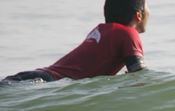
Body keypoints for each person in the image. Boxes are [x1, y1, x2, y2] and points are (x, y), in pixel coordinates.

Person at [2, 0, 150, 83]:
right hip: (49, 83)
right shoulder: (128, 33)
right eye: (148, 7)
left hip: (39, 76)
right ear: (138, 15)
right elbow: (139, 77)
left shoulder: (102, 30)